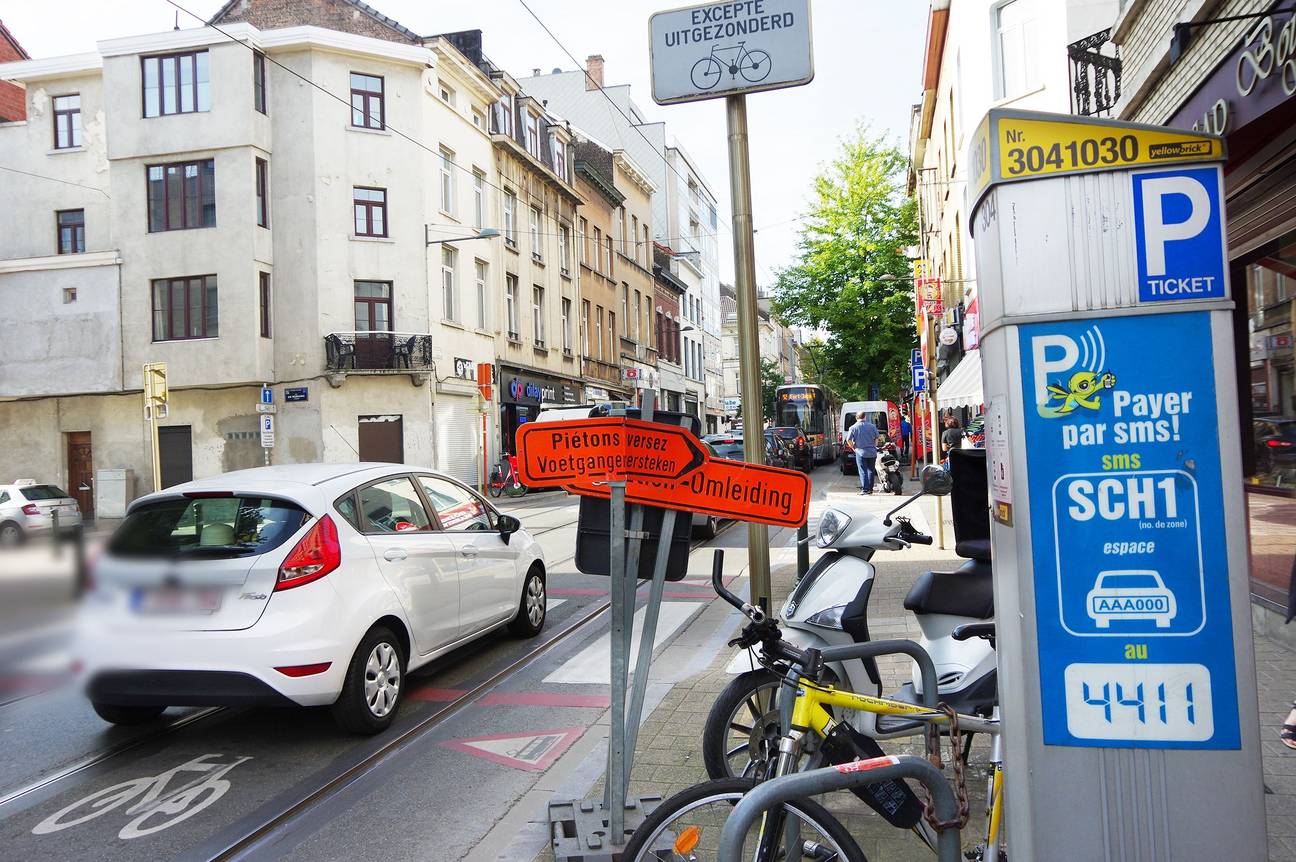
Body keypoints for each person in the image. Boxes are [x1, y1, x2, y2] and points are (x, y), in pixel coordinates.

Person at [845, 411, 881, 494]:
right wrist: (874, 446)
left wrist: (854, 448)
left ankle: (865, 489)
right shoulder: (872, 426)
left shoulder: (853, 427)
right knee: (871, 470)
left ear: (856, 418)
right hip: (872, 452)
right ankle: (870, 489)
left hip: (861, 452)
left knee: (863, 471)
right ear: (865, 417)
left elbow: (848, 440)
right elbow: (877, 438)